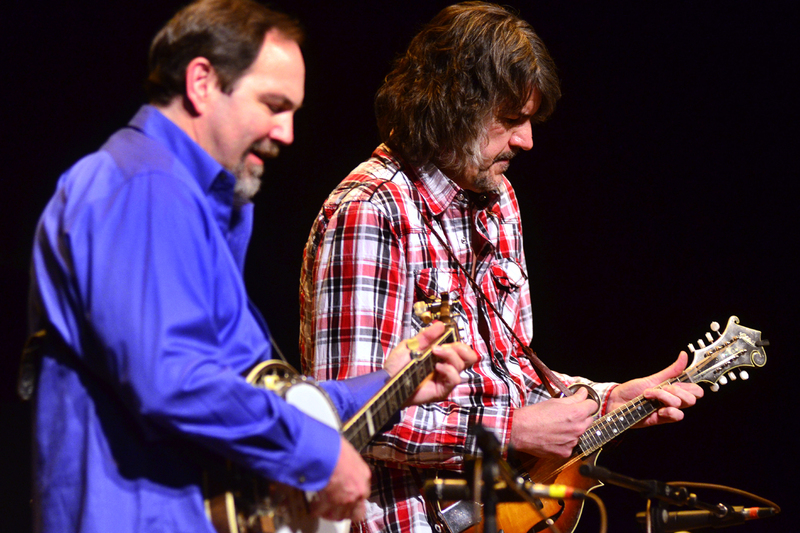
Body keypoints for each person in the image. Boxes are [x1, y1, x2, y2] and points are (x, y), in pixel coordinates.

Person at [24, 1, 477, 532]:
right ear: (202, 83)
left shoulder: (195, 200)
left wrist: (387, 385)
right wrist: (318, 455)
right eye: (273, 104)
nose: (286, 132)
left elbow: (250, 387)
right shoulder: (145, 188)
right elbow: (174, 381)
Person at [299, 2, 704, 532]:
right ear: (450, 108)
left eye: (530, 120)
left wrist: (606, 400)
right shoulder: (369, 212)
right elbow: (347, 423)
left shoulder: (498, 199)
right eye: (511, 120)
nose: (527, 140)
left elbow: (506, 377)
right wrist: (508, 430)